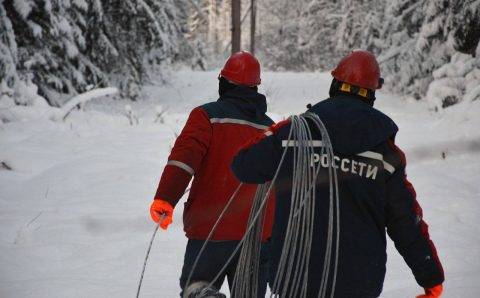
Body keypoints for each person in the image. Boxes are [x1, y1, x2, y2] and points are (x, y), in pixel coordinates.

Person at [230, 50, 445, 298]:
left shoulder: (294, 133)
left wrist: (275, 133)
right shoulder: (385, 152)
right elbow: (405, 220)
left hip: (296, 279)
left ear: (335, 85)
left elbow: (243, 165)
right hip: (358, 281)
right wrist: (430, 277)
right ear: (371, 95)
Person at [149, 51, 275, 297]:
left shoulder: (206, 116)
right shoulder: (269, 128)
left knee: (197, 290)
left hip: (211, 230)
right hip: (256, 237)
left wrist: (165, 198)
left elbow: (183, 161)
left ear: (224, 83)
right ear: (255, 88)